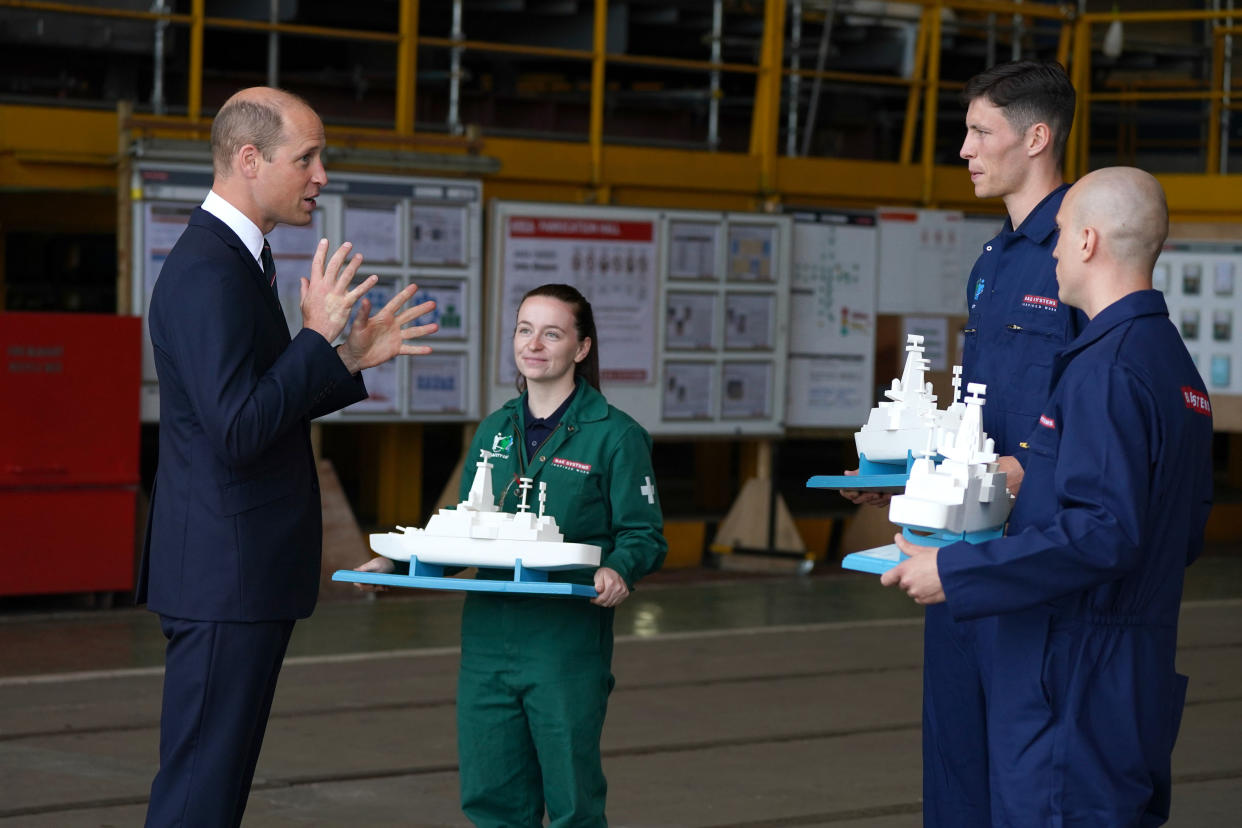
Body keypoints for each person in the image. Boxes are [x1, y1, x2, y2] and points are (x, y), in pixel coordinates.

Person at [137, 86, 438, 827]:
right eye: (307, 158)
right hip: (223, 577)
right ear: (249, 158)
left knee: (217, 787)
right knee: (199, 795)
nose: (321, 176)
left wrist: (341, 357)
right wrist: (311, 342)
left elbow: (255, 404)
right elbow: (239, 429)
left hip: (237, 575)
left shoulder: (239, 260)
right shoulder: (211, 272)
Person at [882, 167, 1213, 825]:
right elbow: (1178, 526)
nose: (1053, 252)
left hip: (1074, 677)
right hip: (1129, 669)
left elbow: (1102, 532)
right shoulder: (1167, 360)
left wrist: (956, 570)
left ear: (1088, 241)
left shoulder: (1106, 369)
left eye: (1060, 235)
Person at [842, 60, 1085, 826]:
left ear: (1036, 137)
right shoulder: (993, 261)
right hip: (958, 547)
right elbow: (973, 415)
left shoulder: (1083, 252)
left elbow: (1103, 408)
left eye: (982, 132)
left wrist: (1032, 471)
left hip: (1034, 558)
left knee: (1029, 773)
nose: (964, 149)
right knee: (954, 764)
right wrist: (905, 473)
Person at [356, 283, 667, 827]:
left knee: (572, 802)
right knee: (492, 796)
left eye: (553, 333)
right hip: (487, 642)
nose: (535, 343)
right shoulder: (494, 431)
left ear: (582, 348)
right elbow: (467, 532)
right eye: (525, 329)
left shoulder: (615, 437)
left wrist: (620, 567)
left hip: (563, 643)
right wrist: (397, 565)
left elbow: (643, 534)